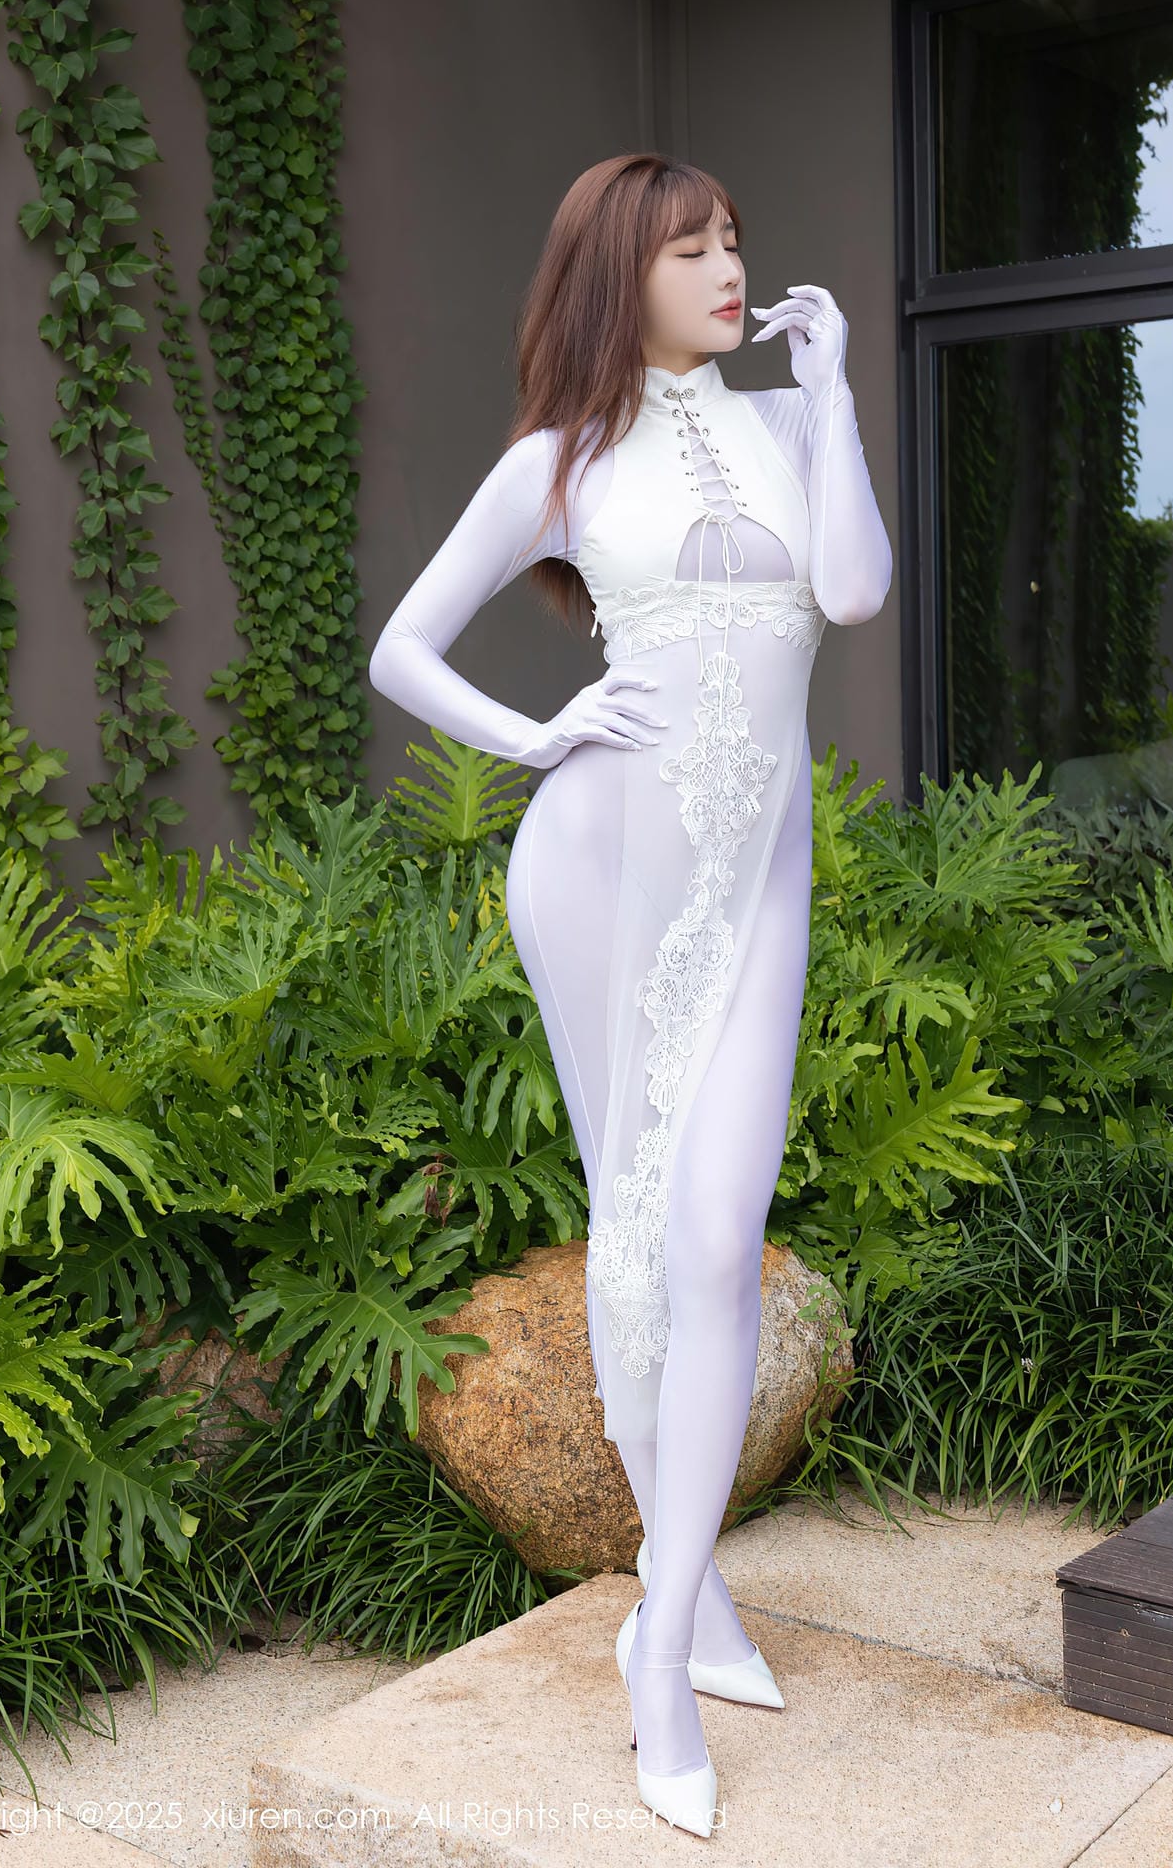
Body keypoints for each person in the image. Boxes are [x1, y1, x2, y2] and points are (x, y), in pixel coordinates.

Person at [367, 153, 892, 1838]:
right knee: (643, 1219)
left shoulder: (793, 423)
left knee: (721, 1236)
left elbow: (854, 592)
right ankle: (676, 1633)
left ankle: (664, 1617)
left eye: (735, 240)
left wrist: (838, 394)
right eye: (691, 248)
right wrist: (537, 737)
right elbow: (402, 648)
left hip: (757, 882)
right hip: (599, 863)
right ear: (619, 273)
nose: (729, 268)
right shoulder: (562, 457)